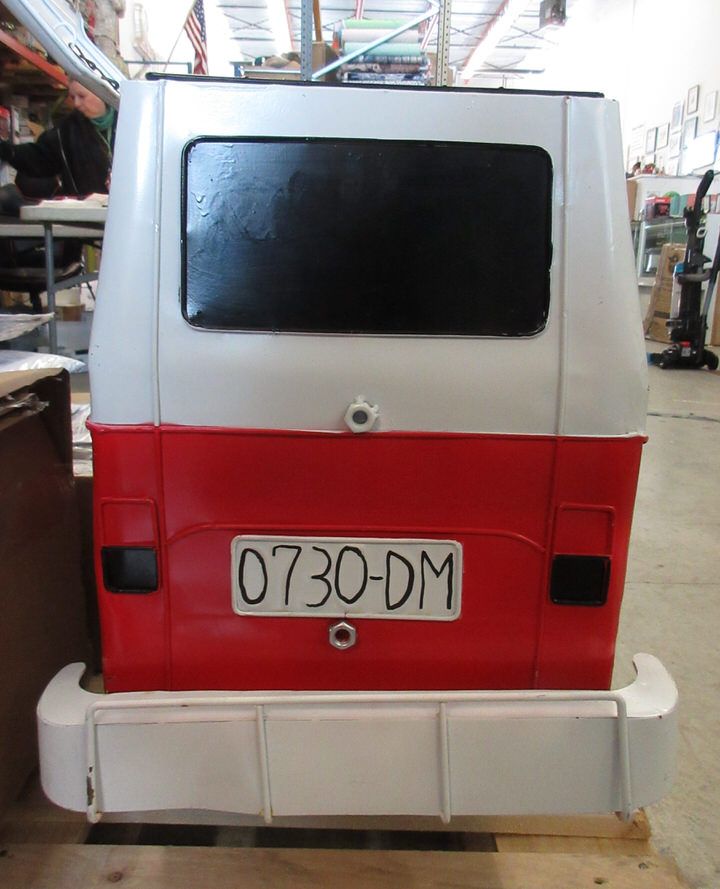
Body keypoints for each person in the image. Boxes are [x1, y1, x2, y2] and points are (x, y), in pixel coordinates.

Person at [0, 79, 116, 216]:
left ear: (102, 94)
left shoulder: (134, 123)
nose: (76, 103)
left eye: (82, 96)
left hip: (128, 214)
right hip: (87, 218)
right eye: (73, 97)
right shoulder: (66, 130)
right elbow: (40, 158)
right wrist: (8, 151)